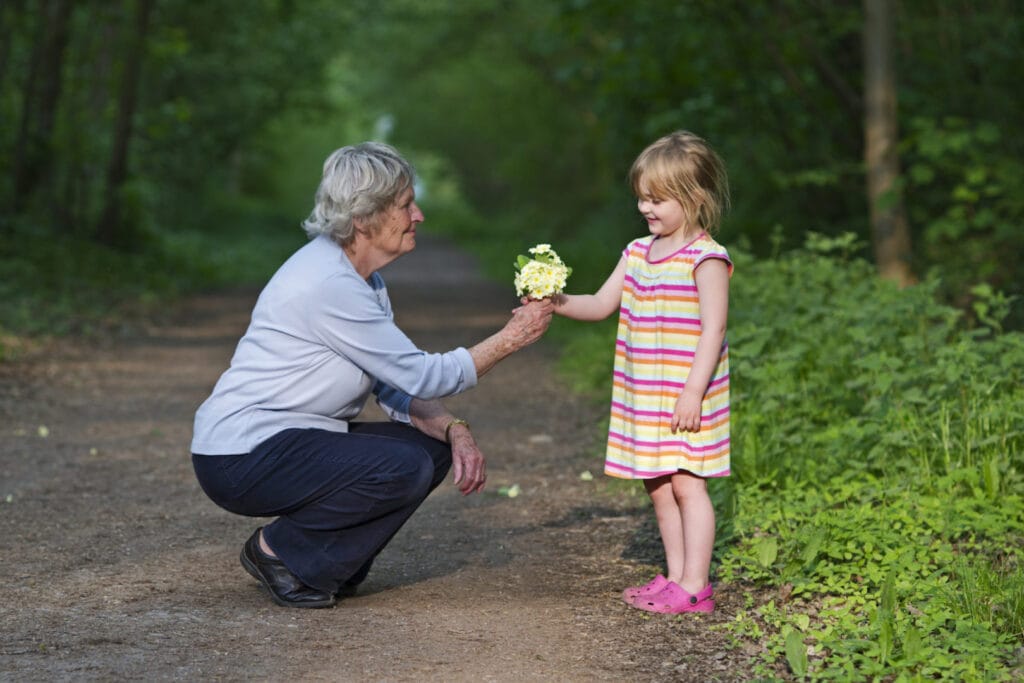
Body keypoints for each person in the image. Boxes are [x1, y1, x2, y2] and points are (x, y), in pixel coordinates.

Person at [190, 142, 554, 609]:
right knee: (402, 466)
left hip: (290, 438)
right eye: (405, 205)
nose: (418, 215)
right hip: (240, 454)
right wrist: (510, 338)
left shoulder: (363, 280)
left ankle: (323, 564)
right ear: (363, 218)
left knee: (428, 451)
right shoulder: (328, 284)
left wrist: (452, 428)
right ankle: (280, 553)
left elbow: (393, 385)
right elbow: (426, 375)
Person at [552, 131, 731, 614]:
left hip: (687, 394)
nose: (645, 207)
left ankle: (696, 586)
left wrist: (693, 391)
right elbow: (600, 304)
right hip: (645, 394)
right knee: (657, 484)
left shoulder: (705, 258)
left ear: (694, 198)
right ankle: (675, 577)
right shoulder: (636, 252)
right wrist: (555, 301)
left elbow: (713, 331)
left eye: (657, 199)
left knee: (688, 484)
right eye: (641, 197)